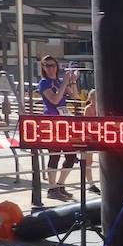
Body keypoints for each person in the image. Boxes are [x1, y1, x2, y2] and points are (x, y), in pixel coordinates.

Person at [38, 55, 80, 200]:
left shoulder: (58, 81)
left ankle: (60, 184)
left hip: (64, 120)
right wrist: (64, 84)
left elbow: (74, 96)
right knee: (54, 154)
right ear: (43, 68)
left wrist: (72, 81)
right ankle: (51, 188)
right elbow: (55, 100)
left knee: (71, 155)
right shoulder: (44, 83)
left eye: (53, 65)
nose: (51, 68)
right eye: (47, 66)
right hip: (51, 121)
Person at [83, 90, 100, 194]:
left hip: (99, 135)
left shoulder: (100, 107)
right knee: (88, 161)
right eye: (93, 97)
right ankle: (90, 183)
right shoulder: (88, 108)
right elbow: (88, 123)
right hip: (90, 136)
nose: (95, 100)